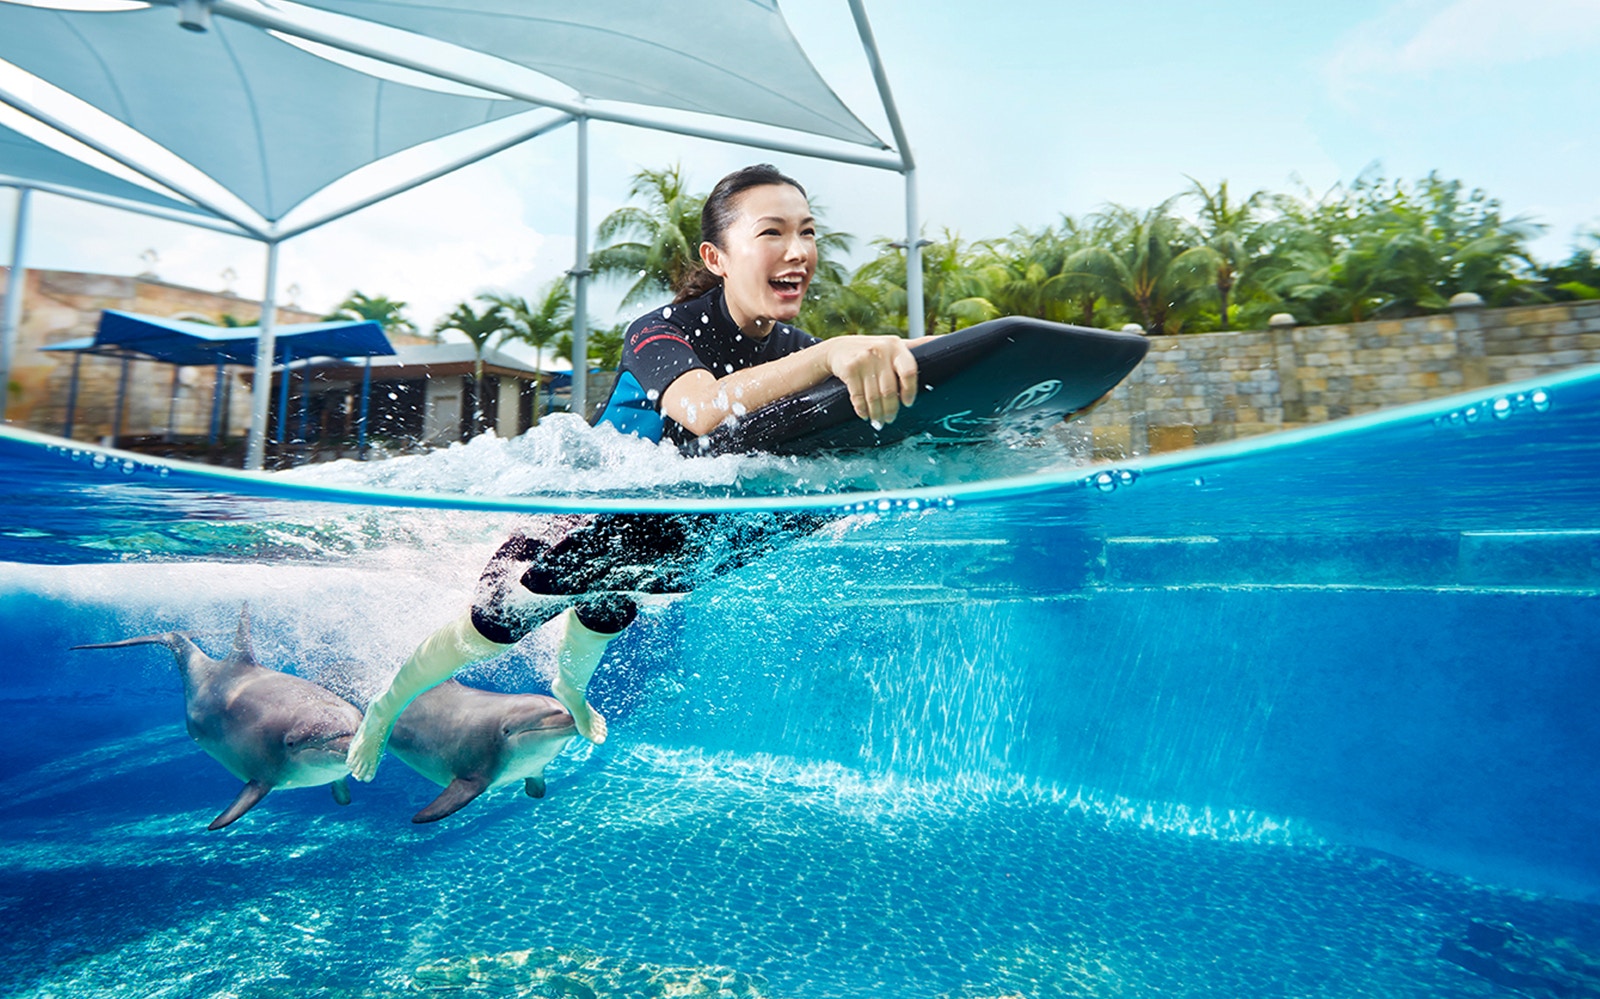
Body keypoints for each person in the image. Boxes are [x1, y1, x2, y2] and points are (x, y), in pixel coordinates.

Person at [346, 164, 921, 781]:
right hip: (574, 520)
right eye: (772, 233)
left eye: (807, 233)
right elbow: (702, 409)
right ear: (717, 257)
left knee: (605, 618)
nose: (798, 252)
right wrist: (831, 354)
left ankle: (568, 692)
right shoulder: (661, 330)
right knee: (495, 627)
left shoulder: (793, 348)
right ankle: (384, 708)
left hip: (668, 529)